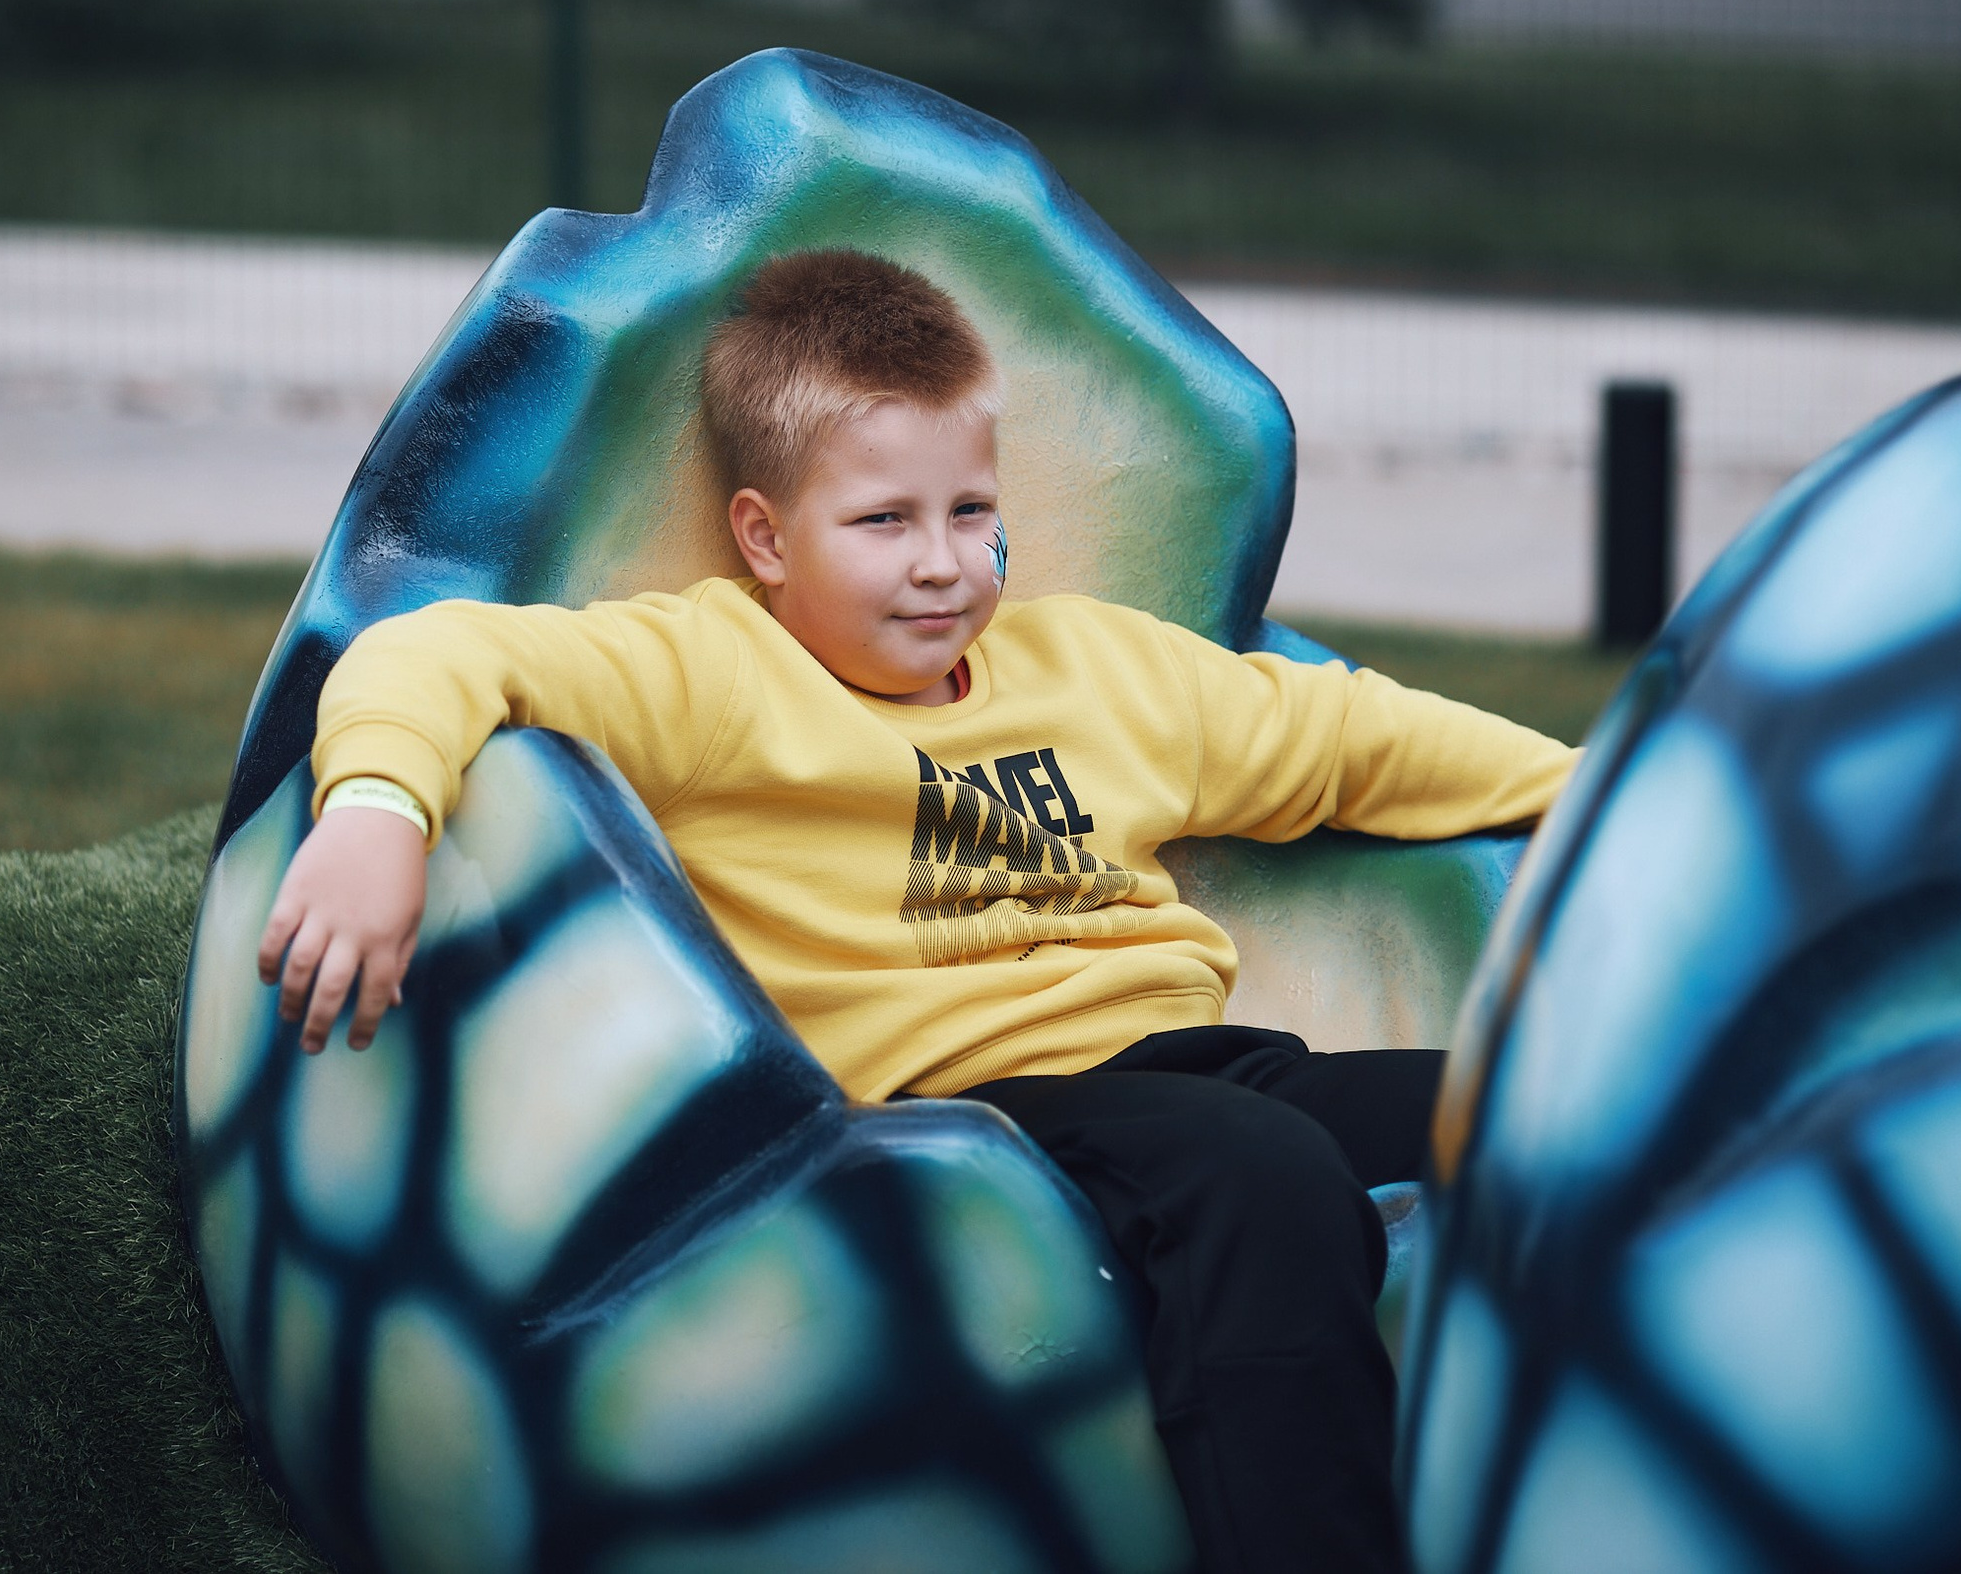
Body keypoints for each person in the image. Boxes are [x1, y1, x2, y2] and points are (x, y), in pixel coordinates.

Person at [258, 248, 1575, 1574]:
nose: (943, 565)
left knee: (1538, 1119)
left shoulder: (1093, 667)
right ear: (766, 536)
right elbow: (437, 648)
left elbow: (1352, 739)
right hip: (979, 1108)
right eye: (883, 521)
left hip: (1206, 1066)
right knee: (1263, 1183)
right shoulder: (722, 672)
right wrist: (376, 808)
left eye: (970, 511)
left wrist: (1604, 796)